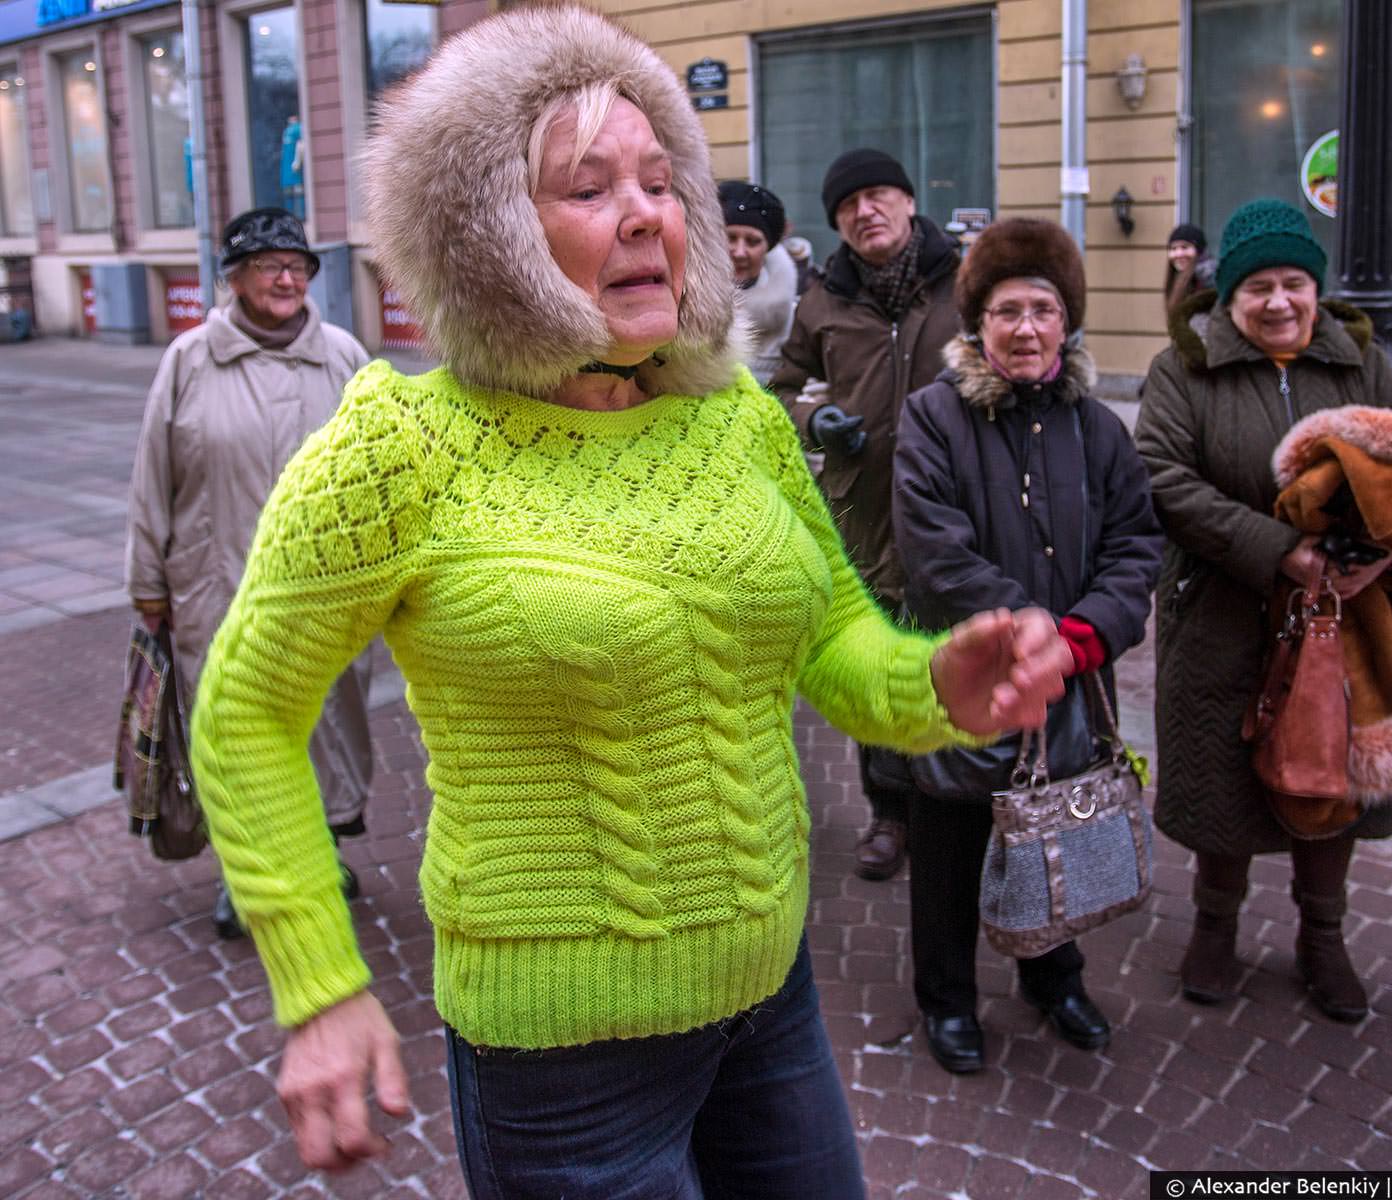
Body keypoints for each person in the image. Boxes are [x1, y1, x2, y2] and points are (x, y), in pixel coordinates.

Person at [186, 9, 1072, 1195]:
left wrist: (937, 684)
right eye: (589, 187)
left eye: (662, 181)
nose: (648, 211)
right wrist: (318, 982)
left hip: (771, 1000)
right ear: (487, 233)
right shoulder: (397, 445)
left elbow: (833, 642)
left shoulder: (741, 420)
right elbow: (244, 714)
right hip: (560, 1065)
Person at [1135, 198, 1392, 1024]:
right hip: (1225, 608)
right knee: (1226, 773)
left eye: (1296, 283)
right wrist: (1278, 551)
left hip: (1345, 614)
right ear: (1231, 296)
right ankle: (1214, 930)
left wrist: (1377, 557)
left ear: (1317, 290)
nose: (1279, 302)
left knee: (1333, 767)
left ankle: (1323, 939)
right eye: (1259, 285)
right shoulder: (1183, 366)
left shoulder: (1357, 361)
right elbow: (1162, 475)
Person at [893, 218, 1161, 1074]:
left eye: (1043, 309)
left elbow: (1134, 546)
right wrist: (1025, 626)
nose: (1026, 328)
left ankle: (1055, 978)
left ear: (1066, 321)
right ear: (978, 323)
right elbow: (933, 549)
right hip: (972, 678)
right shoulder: (932, 419)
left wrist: (1082, 637)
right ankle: (948, 999)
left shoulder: (1098, 427)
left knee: (1058, 834)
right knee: (949, 848)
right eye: (1007, 310)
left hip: (1070, 683)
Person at [125, 206, 373, 942]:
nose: (289, 278)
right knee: (236, 730)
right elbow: (153, 477)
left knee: (327, 722)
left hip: (325, 590)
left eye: (299, 266)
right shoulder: (190, 360)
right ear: (234, 278)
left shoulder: (344, 357)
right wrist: (148, 583)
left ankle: (322, 853)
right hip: (215, 584)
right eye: (271, 266)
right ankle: (246, 878)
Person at [768, 147, 964, 882]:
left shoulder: (963, 282)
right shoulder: (822, 300)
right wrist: (814, 420)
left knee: (952, 648)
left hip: (954, 512)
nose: (865, 211)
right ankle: (888, 812)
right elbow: (781, 391)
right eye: (848, 206)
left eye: (879, 195)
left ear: (910, 202)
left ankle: (959, 802)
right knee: (876, 657)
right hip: (862, 514)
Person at [719, 179, 797, 364]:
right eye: (730, 238)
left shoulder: (792, 317)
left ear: (767, 249)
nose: (739, 252)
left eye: (753, 241)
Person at [1164, 222, 1217, 306]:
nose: (1179, 254)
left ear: (1199, 251)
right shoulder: (1180, 279)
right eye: (1173, 249)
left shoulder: (1208, 280)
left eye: (1185, 247)